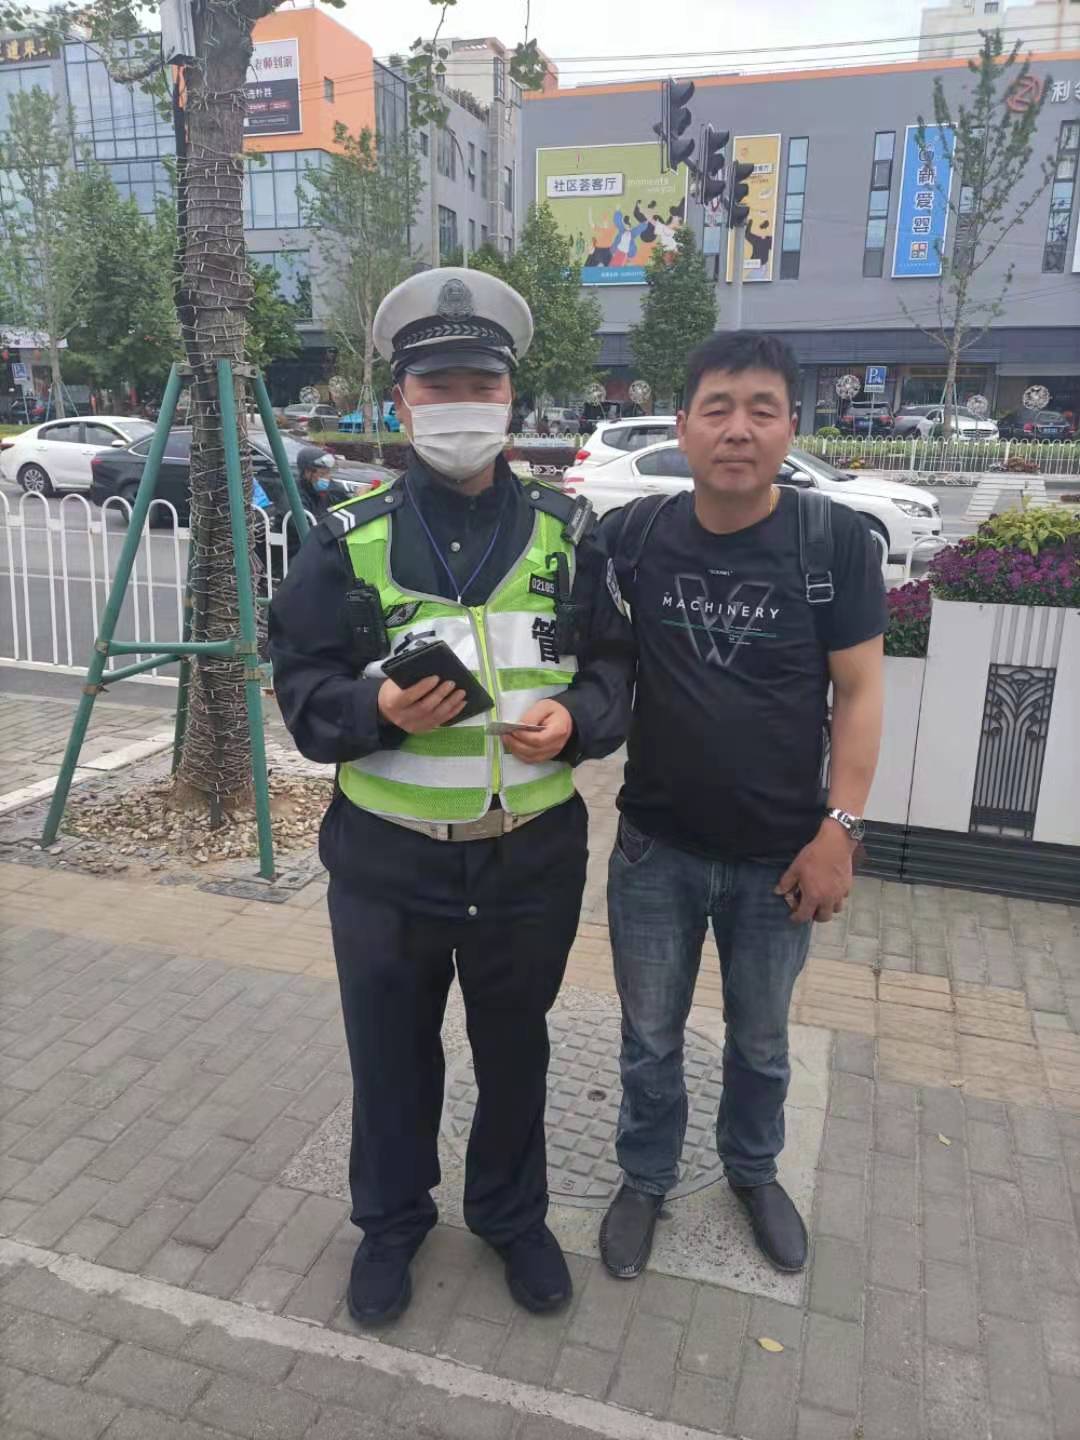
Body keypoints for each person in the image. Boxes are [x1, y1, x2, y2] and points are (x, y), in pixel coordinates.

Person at [268, 267, 632, 1327]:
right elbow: (301, 690)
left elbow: (617, 669)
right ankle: (391, 1224)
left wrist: (577, 720)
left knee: (517, 1050)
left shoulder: (571, 532)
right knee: (390, 1056)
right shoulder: (346, 538)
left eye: (481, 383)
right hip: (388, 860)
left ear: (512, 398)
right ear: (401, 402)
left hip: (530, 854)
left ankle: (512, 1218)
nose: (461, 404)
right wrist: (378, 709)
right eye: (438, 387)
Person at [598, 331, 885, 1279]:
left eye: (762, 410)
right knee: (649, 1039)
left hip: (780, 858)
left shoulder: (832, 542)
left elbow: (860, 694)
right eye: (717, 408)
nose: (738, 429)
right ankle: (645, 1178)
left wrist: (839, 831)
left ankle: (752, 1173)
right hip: (655, 852)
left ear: (791, 427)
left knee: (760, 1043)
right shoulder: (636, 537)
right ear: (682, 426)